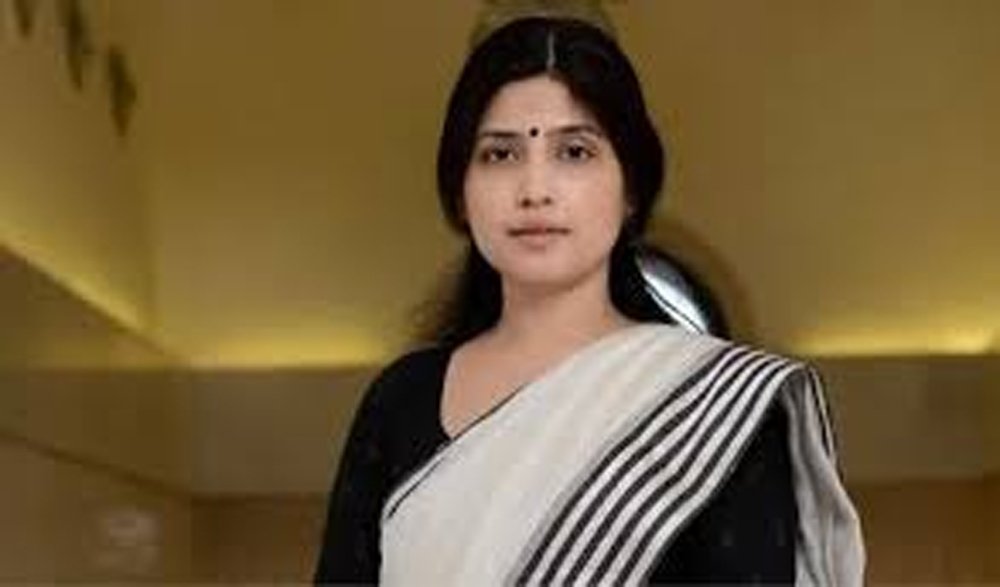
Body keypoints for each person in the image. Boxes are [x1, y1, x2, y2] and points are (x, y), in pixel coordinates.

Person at [315, 12, 864, 587]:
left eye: (574, 152)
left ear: (632, 188)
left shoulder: (715, 409)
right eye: (500, 155)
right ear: (460, 191)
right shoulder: (400, 402)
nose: (534, 190)